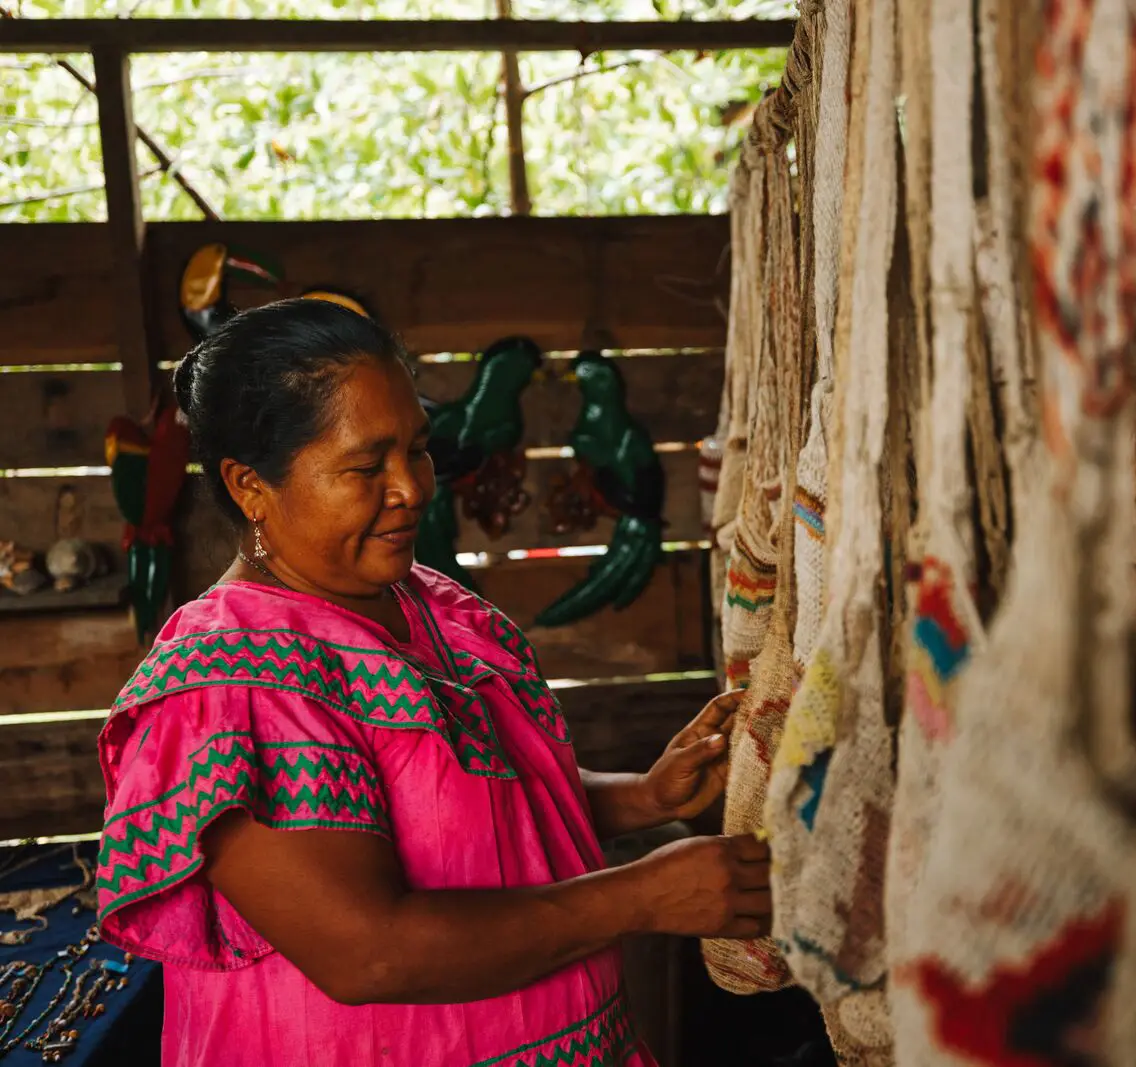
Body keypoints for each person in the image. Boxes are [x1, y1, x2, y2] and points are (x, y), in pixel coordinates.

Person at [95, 299, 771, 1067]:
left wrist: (643, 796)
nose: (411, 488)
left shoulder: (429, 605)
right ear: (251, 485)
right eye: (364, 465)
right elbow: (368, 953)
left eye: (416, 449)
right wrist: (639, 895)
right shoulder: (230, 678)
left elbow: (468, 805)